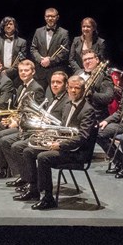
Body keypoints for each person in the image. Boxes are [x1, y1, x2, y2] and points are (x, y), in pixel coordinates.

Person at [13, 75, 98, 210]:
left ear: (83, 89)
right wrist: (49, 138)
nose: (73, 91)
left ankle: (48, 198)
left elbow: (83, 137)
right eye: (71, 88)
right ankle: (33, 189)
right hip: (65, 147)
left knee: (43, 157)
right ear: (67, 88)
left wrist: (60, 144)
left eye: (77, 88)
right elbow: (62, 130)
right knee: (28, 151)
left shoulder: (88, 110)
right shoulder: (67, 106)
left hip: (78, 153)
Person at [0, 71, 69, 184]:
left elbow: (62, 125)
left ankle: (29, 181)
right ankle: (25, 177)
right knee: (7, 141)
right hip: (43, 133)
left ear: (65, 84)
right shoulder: (53, 99)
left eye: (58, 82)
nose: (55, 85)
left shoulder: (66, 102)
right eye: (52, 82)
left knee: (18, 147)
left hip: (52, 137)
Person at [0, 59, 45, 173]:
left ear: (33, 72)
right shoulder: (20, 87)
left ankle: (7, 168)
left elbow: (36, 114)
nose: (23, 73)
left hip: (27, 128)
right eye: (20, 71)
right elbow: (16, 108)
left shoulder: (37, 88)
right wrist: (10, 119)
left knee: (2, 135)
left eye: (26, 70)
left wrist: (17, 122)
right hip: (17, 122)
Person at [30, 7, 70, 90]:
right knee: (38, 95)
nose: (50, 18)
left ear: (57, 17)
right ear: (45, 17)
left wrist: (50, 60)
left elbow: (65, 52)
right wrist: (40, 59)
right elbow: (33, 49)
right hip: (40, 72)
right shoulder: (38, 31)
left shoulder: (64, 33)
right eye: (48, 16)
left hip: (55, 71)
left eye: (52, 16)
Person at [77, 48, 115, 122]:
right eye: (85, 60)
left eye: (90, 58)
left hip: (92, 115)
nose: (87, 61)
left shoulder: (104, 76)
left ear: (97, 60)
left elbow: (108, 98)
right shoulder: (78, 73)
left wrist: (91, 94)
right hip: (76, 110)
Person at [0, 16, 28, 82]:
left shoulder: (22, 42)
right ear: (3, 26)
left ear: (15, 26)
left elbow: (22, 60)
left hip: (16, 75)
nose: (8, 26)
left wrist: (7, 72)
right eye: (6, 24)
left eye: (10, 24)